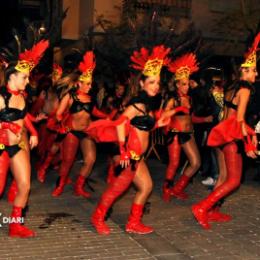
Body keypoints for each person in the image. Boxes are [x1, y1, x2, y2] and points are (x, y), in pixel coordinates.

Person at [87, 45, 171, 235]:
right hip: (130, 155)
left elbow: (142, 128)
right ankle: (97, 217)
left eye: (157, 83)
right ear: (141, 83)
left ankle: (133, 223)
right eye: (151, 82)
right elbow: (118, 124)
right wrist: (124, 151)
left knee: (147, 186)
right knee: (117, 189)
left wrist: (158, 124)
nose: (156, 86)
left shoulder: (147, 105)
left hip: (138, 156)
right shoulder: (136, 104)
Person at [192, 33, 260, 229]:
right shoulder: (245, 89)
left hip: (223, 134)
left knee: (223, 177)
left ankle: (212, 210)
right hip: (232, 138)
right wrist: (248, 143)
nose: (255, 74)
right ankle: (202, 207)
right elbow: (239, 119)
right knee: (233, 181)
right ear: (244, 71)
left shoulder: (231, 87)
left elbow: (227, 115)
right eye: (253, 71)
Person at [0, 40, 49, 237]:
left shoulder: (21, 96)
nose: (27, 81)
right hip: (1, 147)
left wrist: (35, 132)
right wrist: (8, 125)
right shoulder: (1, 97)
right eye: (24, 77)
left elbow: (23, 117)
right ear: (11, 76)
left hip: (16, 146)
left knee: (25, 185)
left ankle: (15, 225)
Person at [51, 51, 108, 197]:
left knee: (90, 159)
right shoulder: (70, 97)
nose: (90, 86)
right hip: (72, 131)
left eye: (91, 84)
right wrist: (61, 123)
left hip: (87, 132)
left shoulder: (90, 98)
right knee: (68, 161)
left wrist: (110, 117)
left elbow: (95, 112)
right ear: (79, 83)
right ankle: (60, 184)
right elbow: (58, 113)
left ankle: (79, 186)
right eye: (88, 84)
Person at [162, 53, 206, 201]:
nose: (187, 87)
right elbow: (163, 115)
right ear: (177, 84)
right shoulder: (173, 98)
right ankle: (167, 189)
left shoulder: (190, 98)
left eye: (188, 83)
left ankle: (177, 188)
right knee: (174, 163)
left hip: (188, 133)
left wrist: (204, 119)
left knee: (196, 163)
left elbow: (191, 118)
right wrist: (176, 110)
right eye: (184, 84)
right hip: (175, 133)